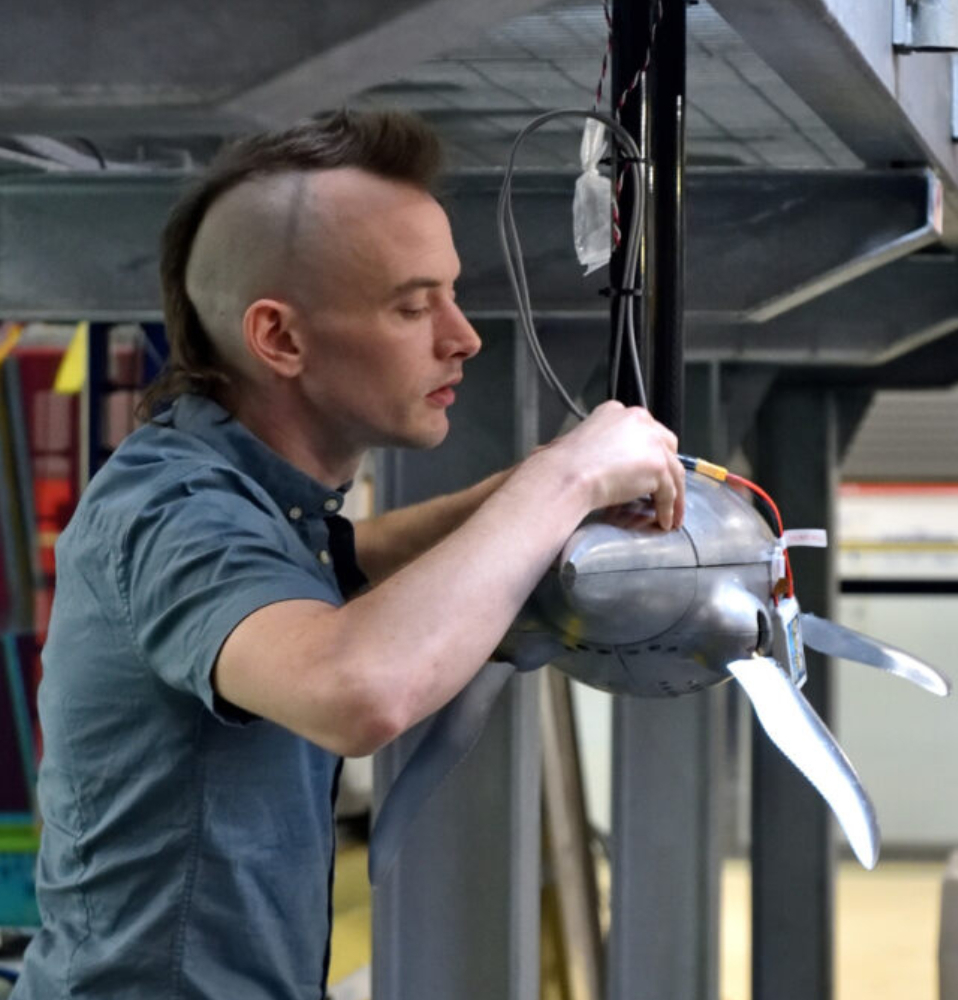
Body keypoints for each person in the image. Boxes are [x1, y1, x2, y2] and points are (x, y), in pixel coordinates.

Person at [13, 110, 684, 999]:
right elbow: (354, 689)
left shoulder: (251, 507)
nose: (462, 335)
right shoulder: (173, 511)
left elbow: (341, 562)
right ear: (279, 339)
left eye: (450, 294)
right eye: (413, 306)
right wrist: (562, 479)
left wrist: (520, 496)